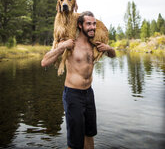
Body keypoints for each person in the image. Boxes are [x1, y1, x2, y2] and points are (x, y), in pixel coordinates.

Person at [41, 11, 116, 149]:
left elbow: (113, 55)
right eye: (88, 24)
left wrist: (109, 48)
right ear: (80, 25)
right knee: (75, 142)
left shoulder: (94, 44)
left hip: (88, 94)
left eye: (94, 24)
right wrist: (62, 46)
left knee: (89, 134)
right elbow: (44, 62)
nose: (92, 27)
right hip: (73, 95)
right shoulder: (70, 43)